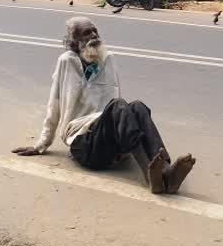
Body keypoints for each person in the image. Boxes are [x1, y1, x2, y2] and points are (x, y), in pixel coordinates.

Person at [12, 17, 196, 194]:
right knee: (119, 106)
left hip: (110, 142)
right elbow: (55, 104)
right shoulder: (66, 61)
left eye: (95, 31)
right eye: (86, 33)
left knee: (137, 107)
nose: (93, 36)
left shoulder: (108, 58)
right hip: (85, 143)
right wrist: (41, 144)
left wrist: (125, 133)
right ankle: (150, 176)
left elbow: (119, 102)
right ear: (74, 41)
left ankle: (166, 171)